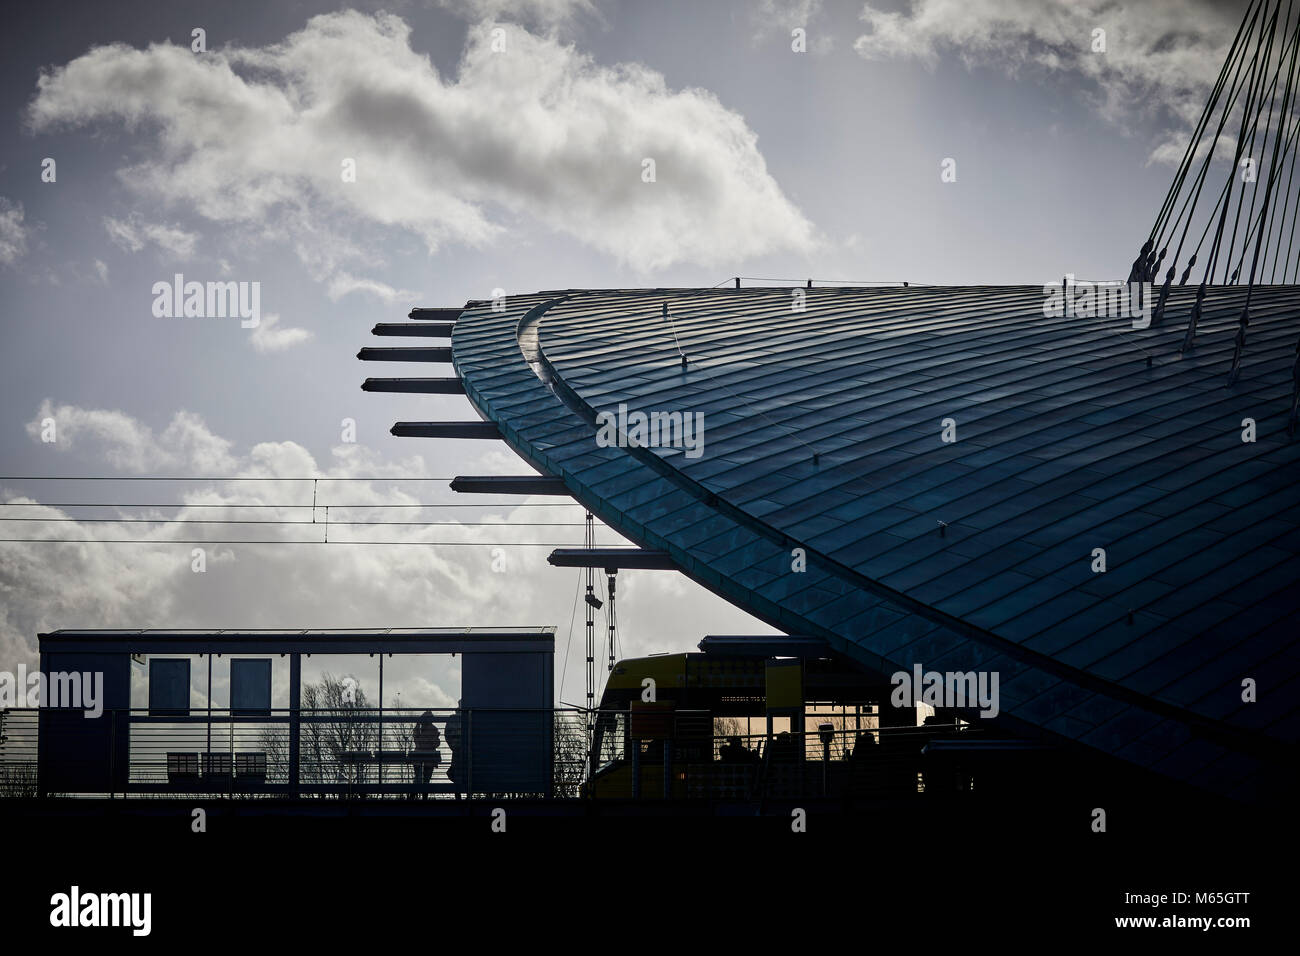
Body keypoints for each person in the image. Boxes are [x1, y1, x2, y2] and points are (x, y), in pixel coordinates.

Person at [411, 710, 441, 800]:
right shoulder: (433, 729)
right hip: (429, 757)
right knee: (426, 779)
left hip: (418, 756)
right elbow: (435, 744)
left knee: (417, 778)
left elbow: (416, 741)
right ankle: (425, 798)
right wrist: (436, 738)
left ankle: (412, 796)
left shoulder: (418, 727)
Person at [444, 700, 464, 800]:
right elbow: (447, 734)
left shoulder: (453, 719)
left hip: (462, 748)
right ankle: (458, 797)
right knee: (457, 772)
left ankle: (460, 796)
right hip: (458, 749)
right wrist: (453, 745)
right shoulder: (453, 719)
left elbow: (447, 733)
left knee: (461, 772)